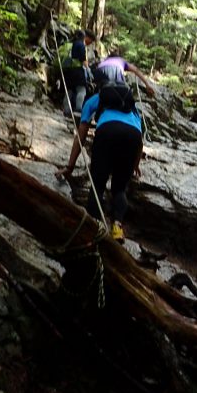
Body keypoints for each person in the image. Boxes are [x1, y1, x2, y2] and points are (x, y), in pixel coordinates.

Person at [55, 74, 143, 243]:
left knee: (98, 185)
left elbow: (81, 135)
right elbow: (139, 140)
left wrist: (70, 166)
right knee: (119, 188)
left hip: (107, 133)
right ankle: (117, 227)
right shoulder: (132, 107)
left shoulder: (96, 99)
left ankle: (93, 229)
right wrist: (135, 164)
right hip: (132, 137)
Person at [56, 29, 96, 118]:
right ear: (85, 37)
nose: (91, 43)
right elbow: (83, 59)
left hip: (66, 71)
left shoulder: (67, 45)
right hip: (77, 70)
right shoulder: (80, 44)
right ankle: (78, 110)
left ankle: (66, 111)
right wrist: (88, 70)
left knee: (69, 90)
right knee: (81, 90)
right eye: (91, 40)